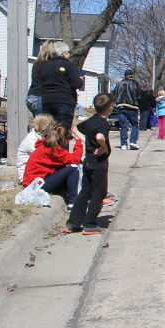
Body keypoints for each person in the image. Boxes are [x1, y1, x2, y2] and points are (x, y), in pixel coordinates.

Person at [65, 92, 113, 235]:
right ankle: (90, 224)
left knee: (85, 192)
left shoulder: (91, 120)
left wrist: (85, 141)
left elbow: (75, 129)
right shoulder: (104, 123)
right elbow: (99, 136)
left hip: (87, 161)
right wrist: (103, 147)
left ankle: (73, 223)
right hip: (99, 163)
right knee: (99, 193)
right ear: (110, 108)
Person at [22, 121, 84, 207]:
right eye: (69, 138)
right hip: (35, 185)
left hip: (35, 181)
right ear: (64, 140)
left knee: (69, 168)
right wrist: (78, 143)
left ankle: (74, 196)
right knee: (72, 169)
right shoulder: (53, 149)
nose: (70, 140)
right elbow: (75, 159)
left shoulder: (47, 145)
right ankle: (72, 202)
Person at [36, 41, 84, 129]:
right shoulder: (69, 65)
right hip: (64, 100)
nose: (69, 55)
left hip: (47, 101)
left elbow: (40, 82)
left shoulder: (44, 66)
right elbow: (76, 83)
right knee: (62, 130)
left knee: (49, 129)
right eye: (69, 52)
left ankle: (50, 142)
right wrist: (81, 80)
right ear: (64, 53)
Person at [16, 113, 56, 182]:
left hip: (35, 173)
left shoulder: (40, 135)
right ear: (46, 126)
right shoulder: (32, 140)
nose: (53, 127)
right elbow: (45, 159)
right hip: (28, 178)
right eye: (52, 125)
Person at [111, 69, 141, 150]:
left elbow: (114, 95)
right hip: (132, 107)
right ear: (132, 75)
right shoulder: (135, 83)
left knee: (123, 126)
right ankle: (133, 142)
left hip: (120, 107)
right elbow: (139, 96)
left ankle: (123, 144)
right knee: (134, 125)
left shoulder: (119, 84)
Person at [25, 41, 56, 116]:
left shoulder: (37, 63)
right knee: (45, 126)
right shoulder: (50, 65)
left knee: (41, 125)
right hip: (41, 99)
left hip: (32, 97)